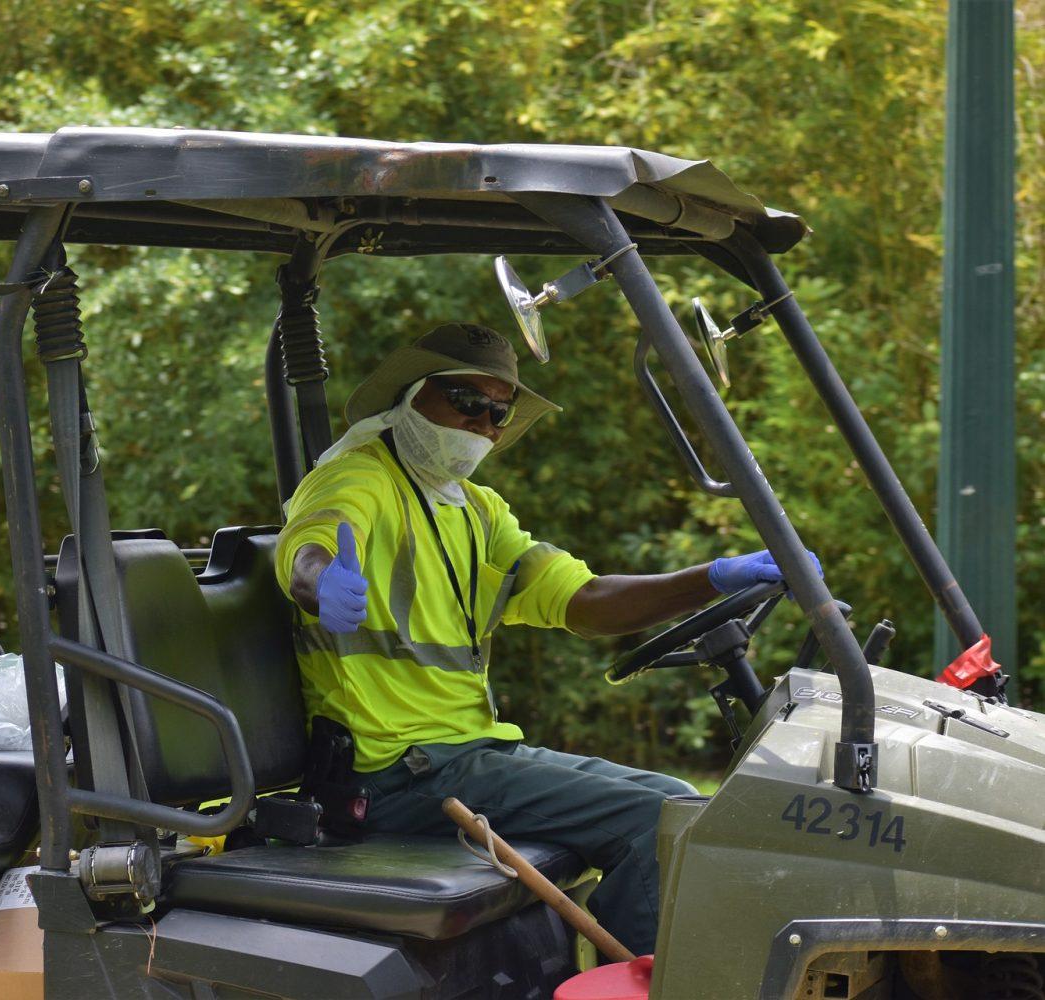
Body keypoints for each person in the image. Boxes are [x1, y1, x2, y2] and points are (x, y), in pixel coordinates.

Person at [275, 322, 817, 956]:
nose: (483, 422)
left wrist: (715, 577)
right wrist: (318, 582)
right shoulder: (358, 478)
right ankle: (641, 988)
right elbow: (308, 545)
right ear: (410, 396)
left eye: (498, 410)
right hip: (391, 771)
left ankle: (615, 976)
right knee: (648, 823)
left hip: (465, 755)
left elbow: (585, 603)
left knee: (676, 803)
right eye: (466, 400)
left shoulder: (478, 510)